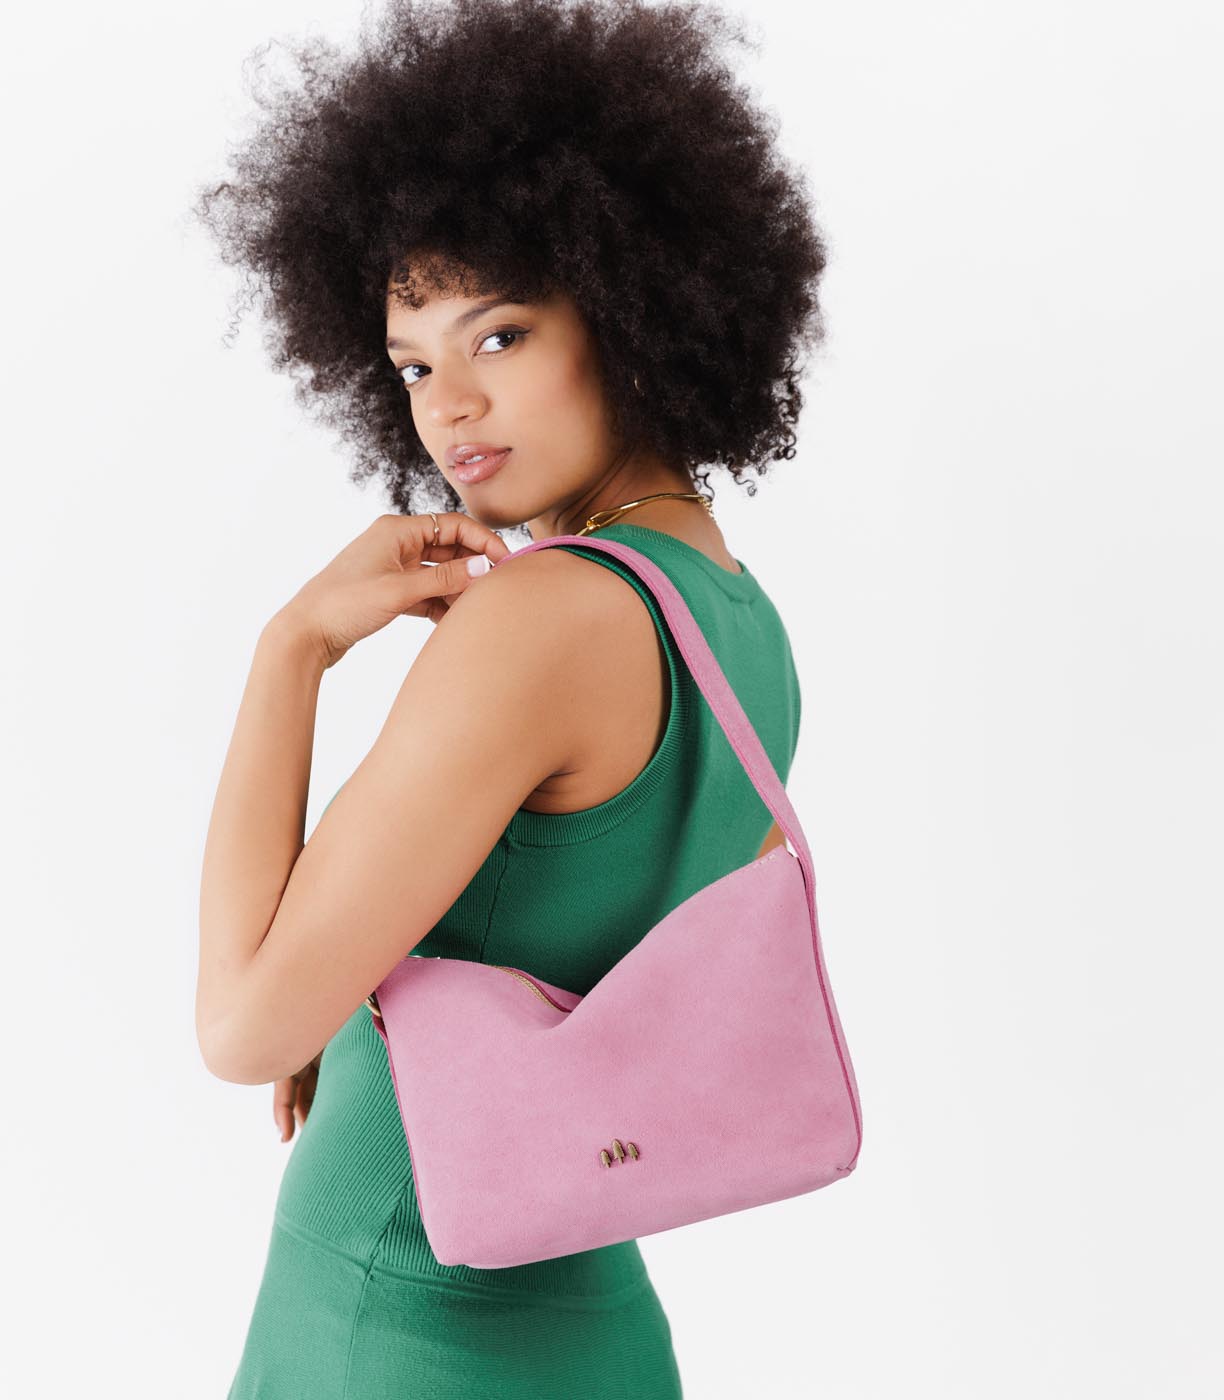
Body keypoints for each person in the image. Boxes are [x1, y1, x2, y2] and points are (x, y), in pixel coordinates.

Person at [191, 0, 827, 1392]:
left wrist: (292, 647)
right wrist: (361, 990)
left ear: (632, 305)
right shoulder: (740, 625)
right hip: (589, 1315)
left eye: (501, 336)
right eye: (416, 363)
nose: (448, 408)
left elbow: (243, 1030)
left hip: (398, 1321)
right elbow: (556, 945)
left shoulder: (541, 617)